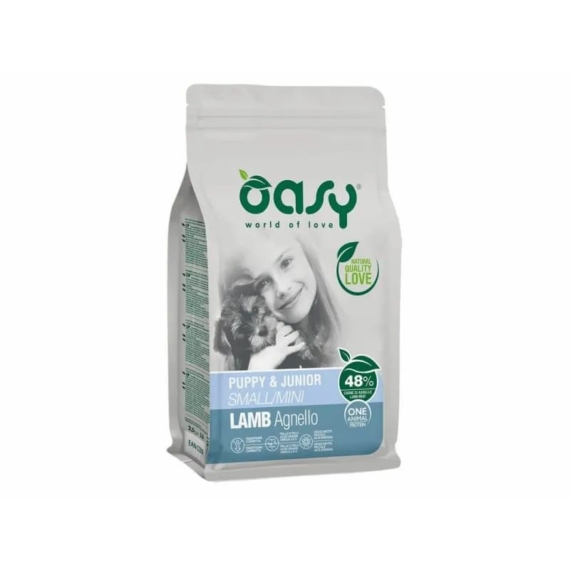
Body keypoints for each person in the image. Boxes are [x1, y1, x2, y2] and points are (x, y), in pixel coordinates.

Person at [219, 235, 341, 370]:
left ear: (307, 254)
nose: (282, 288)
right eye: (263, 283)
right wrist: (256, 374)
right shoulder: (259, 363)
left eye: (286, 263)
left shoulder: (347, 329)